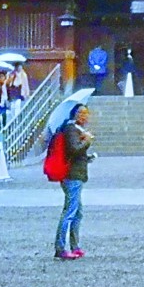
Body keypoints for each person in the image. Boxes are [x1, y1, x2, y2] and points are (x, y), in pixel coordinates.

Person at [55, 102, 94, 259]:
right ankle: (60, 248)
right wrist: (87, 141)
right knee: (69, 212)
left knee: (77, 213)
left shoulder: (75, 129)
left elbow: (75, 152)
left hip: (76, 174)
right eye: (81, 113)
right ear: (74, 114)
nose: (84, 116)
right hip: (72, 176)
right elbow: (74, 149)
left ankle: (75, 245)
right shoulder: (71, 129)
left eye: (86, 113)